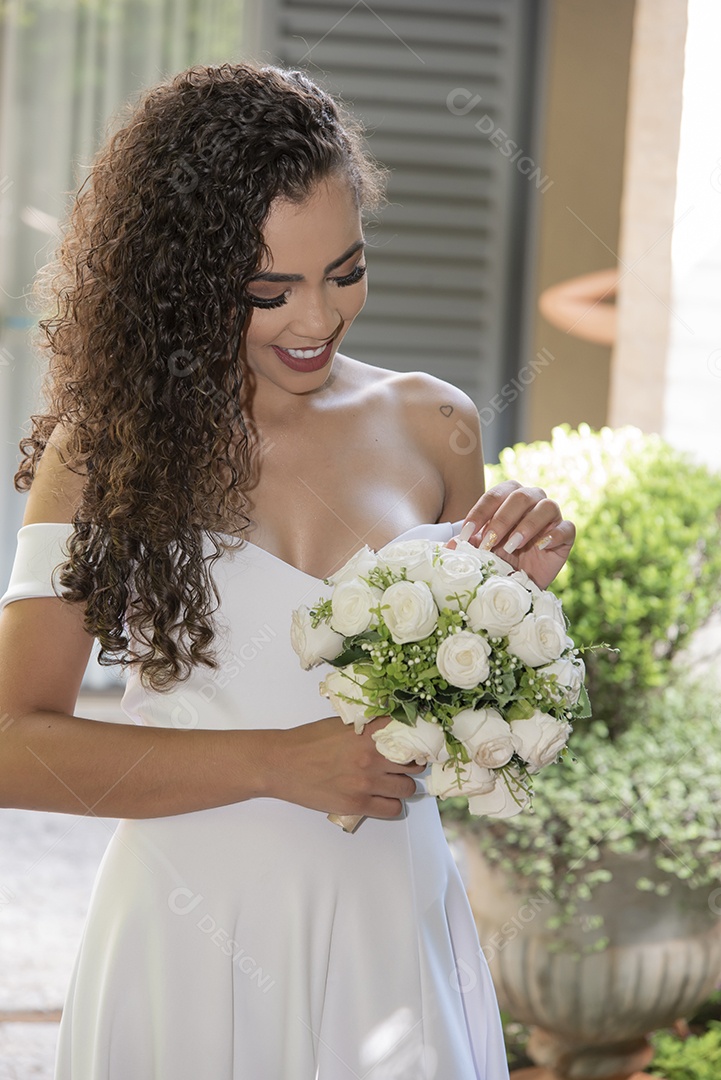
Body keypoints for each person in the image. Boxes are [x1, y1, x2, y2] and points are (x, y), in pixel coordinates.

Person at [0, 63, 575, 1079]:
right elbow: (12, 745)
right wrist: (272, 761)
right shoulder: (106, 453)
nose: (316, 320)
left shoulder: (433, 426)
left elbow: (444, 749)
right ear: (184, 273)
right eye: (269, 289)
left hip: (387, 936)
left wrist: (512, 608)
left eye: (344, 271)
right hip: (188, 941)